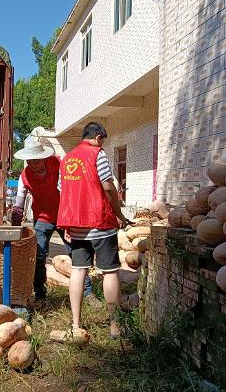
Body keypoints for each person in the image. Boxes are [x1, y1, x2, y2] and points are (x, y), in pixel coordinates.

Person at [57, 122, 132, 339]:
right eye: (103, 142)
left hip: (77, 225)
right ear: (98, 137)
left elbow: (63, 191)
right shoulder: (97, 155)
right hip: (100, 221)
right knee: (110, 272)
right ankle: (115, 327)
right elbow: (108, 186)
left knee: (79, 270)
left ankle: (75, 325)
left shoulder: (67, 159)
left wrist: (66, 223)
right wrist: (119, 215)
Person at [11, 129, 101, 308]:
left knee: (76, 252)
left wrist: (72, 218)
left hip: (65, 215)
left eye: (35, 160)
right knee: (39, 255)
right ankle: (40, 294)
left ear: (43, 157)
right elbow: (19, 203)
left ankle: (88, 292)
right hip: (42, 218)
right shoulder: (24, 176)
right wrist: (15, 222)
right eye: (29, 160)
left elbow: (70, 190)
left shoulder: (59, 164)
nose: (32, 164)